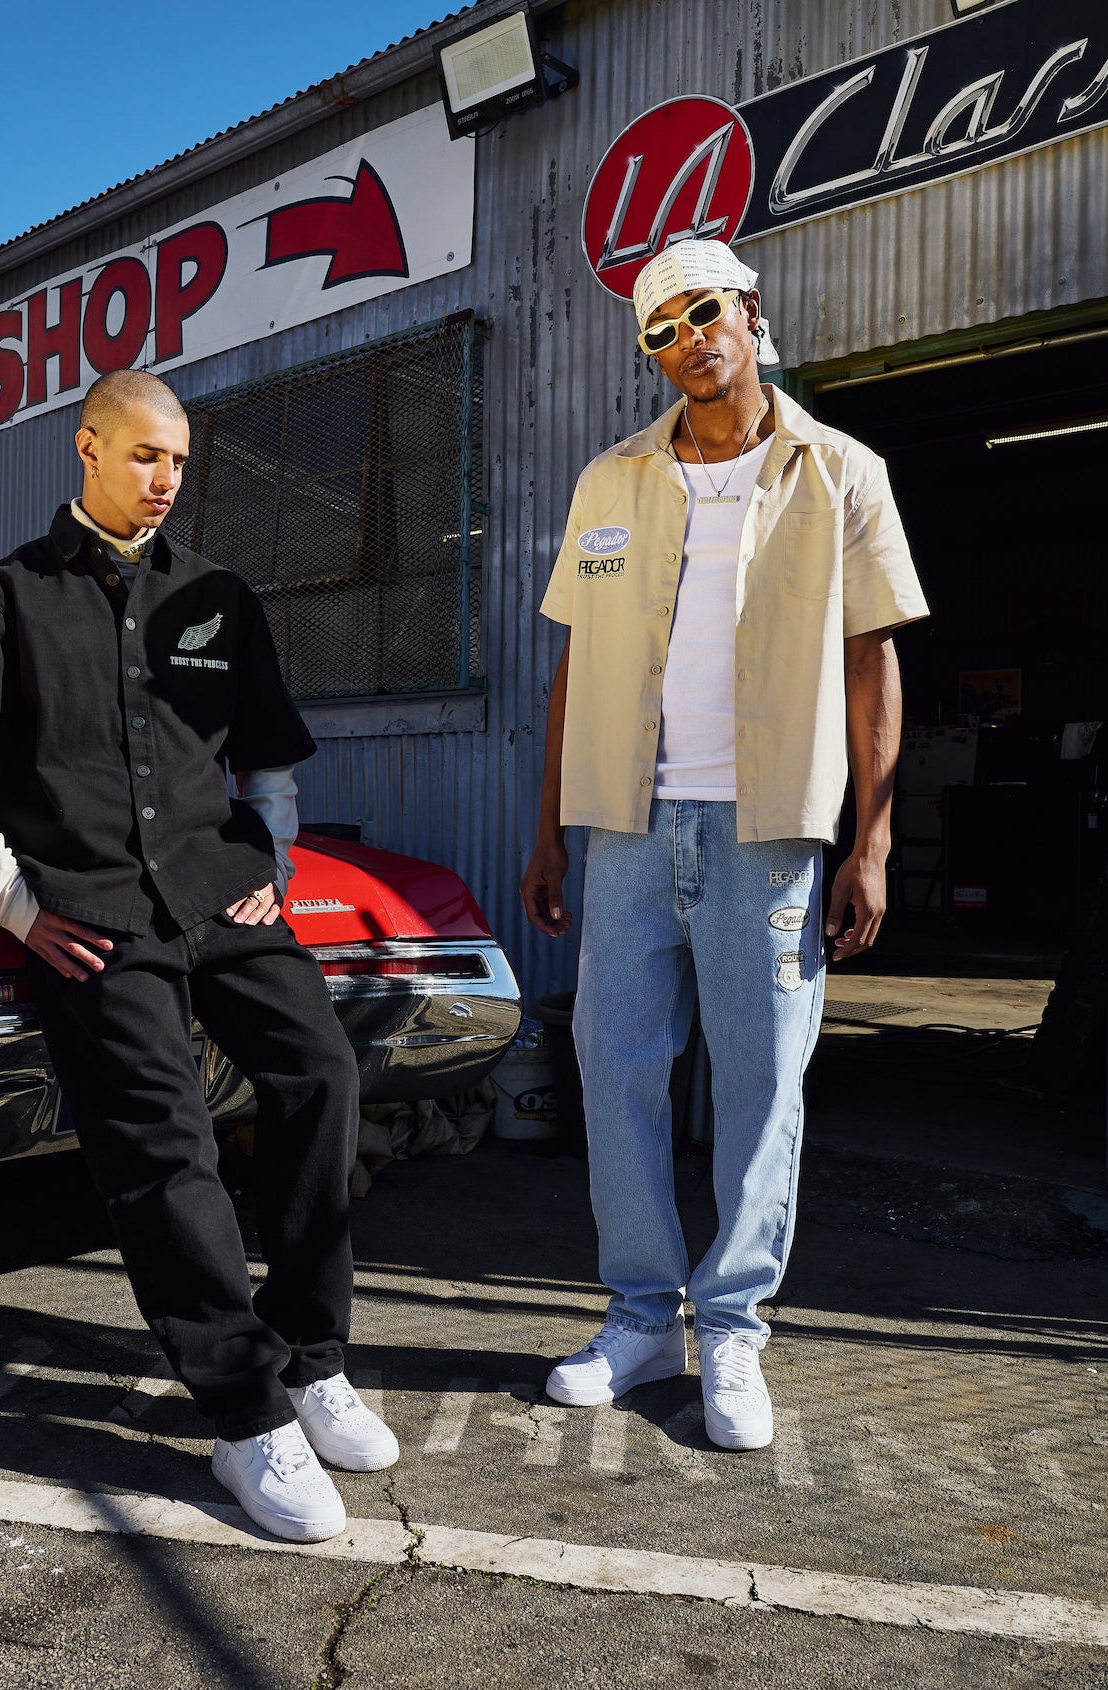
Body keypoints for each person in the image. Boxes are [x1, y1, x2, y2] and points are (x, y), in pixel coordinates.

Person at [0, 367, 397, 1541]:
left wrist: (272, 857)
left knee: (321, 1074)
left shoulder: (215, 596)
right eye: (142, 455)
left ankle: (312, 1358)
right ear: (87, 448)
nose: (165, 479)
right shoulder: (2, 599)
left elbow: (265, 755)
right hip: (92, 912)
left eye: (177, 460)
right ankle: (245, 1413)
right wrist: (13, 905)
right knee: (163, 1138)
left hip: (222, 893)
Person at [521, 239, 928, 1450]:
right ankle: (642, 1316)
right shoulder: (609, 481)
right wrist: (545, 832)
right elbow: (575, 662)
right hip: (625, 824)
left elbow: (871, 662)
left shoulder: (839, 471)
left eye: (702, 312)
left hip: (768, 827)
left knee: (760, 1082)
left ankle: (735, 1324)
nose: (685, 339)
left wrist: (871, 841)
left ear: (748, 312)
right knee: (616, 1072)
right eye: (659, 329)